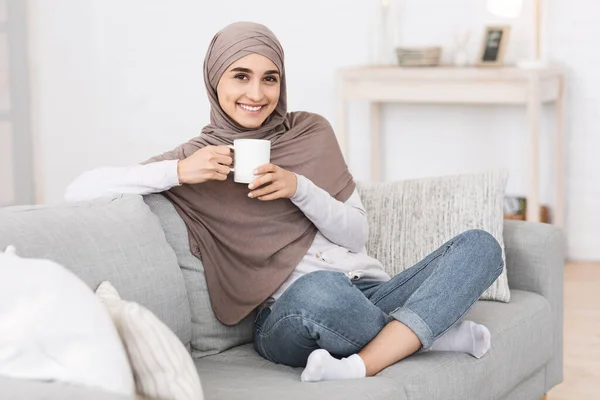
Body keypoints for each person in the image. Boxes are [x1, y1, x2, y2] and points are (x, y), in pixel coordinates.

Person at [65, 21, 503, 382]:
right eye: (241, 76)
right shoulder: (196, 159)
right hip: (287, 315)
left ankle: (360, 364)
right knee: (322, 292)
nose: (256, 94)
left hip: (370, 292)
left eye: (269, 78)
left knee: (481, 246)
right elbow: (80, 190)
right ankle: (427, 331)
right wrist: (179, 172)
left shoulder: (310, 132)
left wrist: (300, 188)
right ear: (215, 78)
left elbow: (356, 235)